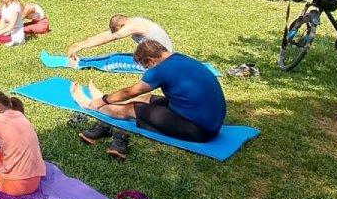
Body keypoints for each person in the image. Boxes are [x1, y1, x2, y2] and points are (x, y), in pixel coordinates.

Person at [73, 38, 226, 160]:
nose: (147, 70)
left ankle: (90, 104)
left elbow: (129, 92)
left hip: (199, 129)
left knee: (130, 109)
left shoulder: (160, 70)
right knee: (146, 97)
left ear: (150, 60)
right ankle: (99, 98)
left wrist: (105, 99)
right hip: (210, 121)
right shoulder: (179, 58)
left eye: (146, 67)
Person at [66, 13, 173, 63]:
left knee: (115, 60)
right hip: (158, 54)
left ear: (122, 26)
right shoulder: (133, 20)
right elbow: (108, 34)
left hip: (161, 60)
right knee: (117, 56)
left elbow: (110, 37)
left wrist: (82, 46)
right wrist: (81, 44)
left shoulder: (132, 26)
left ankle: (79, 63)